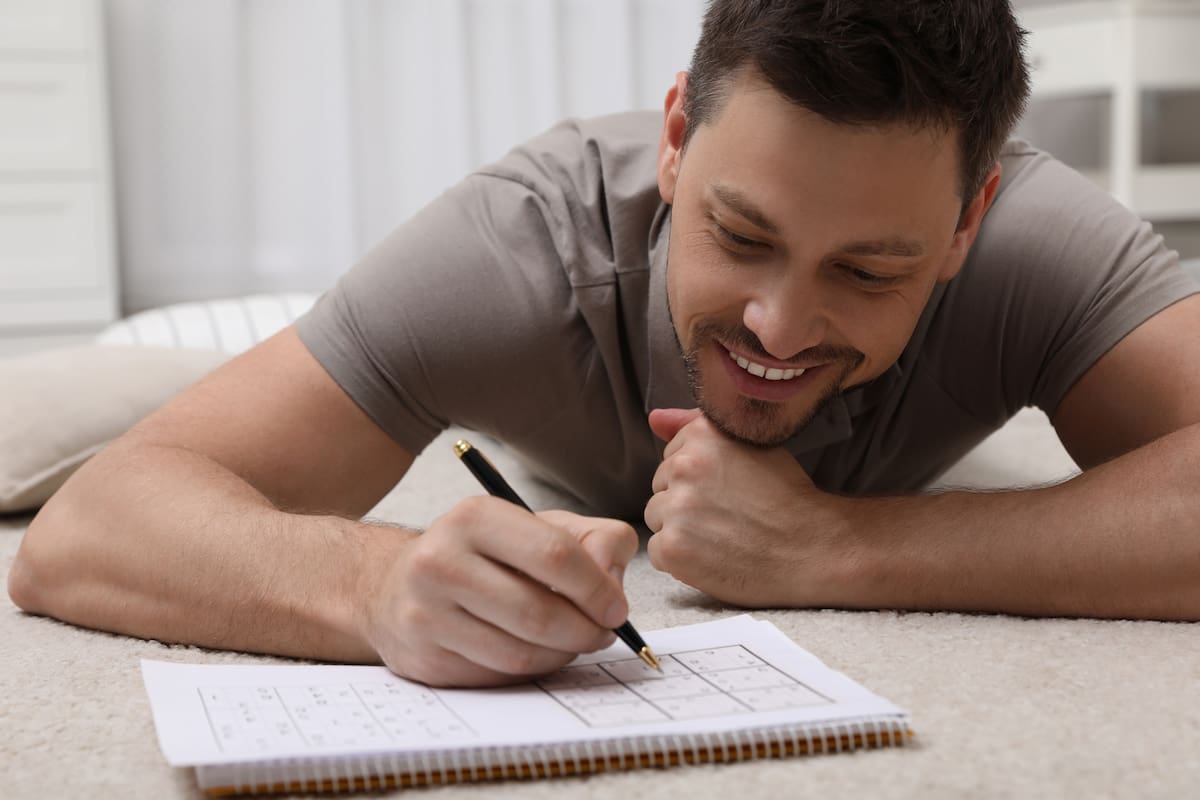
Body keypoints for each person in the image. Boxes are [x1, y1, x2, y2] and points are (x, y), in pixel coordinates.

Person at [9, 0, 1200, 689]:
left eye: (869, 269)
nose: (779, 326)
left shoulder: (1038, 241)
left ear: (965, 224)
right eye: (740, 233)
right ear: (677, 138)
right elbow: (88, 528)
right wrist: (368, 581)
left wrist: (840, 548)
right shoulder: (519, 240)